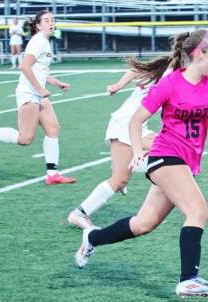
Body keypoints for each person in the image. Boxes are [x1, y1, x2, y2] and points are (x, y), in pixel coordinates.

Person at [74, 29, 208, 297]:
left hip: (186, 161)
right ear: (198, 54)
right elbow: (135, 121)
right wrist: (135, 150)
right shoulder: (169, 84)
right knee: (198, 211)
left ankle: (92, 238)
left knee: (143, 224)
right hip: (166, 155)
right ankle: (188, 280)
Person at [0, 10, 76, 185]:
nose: (51, 23)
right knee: (25, 139)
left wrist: (56, 82)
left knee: (53, 129)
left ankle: (52, 174)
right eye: (47, 20)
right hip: (29, 93)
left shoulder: (45, 42)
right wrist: (40, 90)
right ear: (38, 25)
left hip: (37, 93)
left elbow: (39, 71)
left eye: (53, 20)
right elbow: (25, 66)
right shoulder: (38, 41)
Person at [67, 54, 174, 230]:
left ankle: (130, 166)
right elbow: (135, 70)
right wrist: (118, 86)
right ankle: (78, 213)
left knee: (170, 151)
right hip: (125, 125)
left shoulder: (175, 72)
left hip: (136, 126)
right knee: (119, 180)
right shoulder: (171, 72)